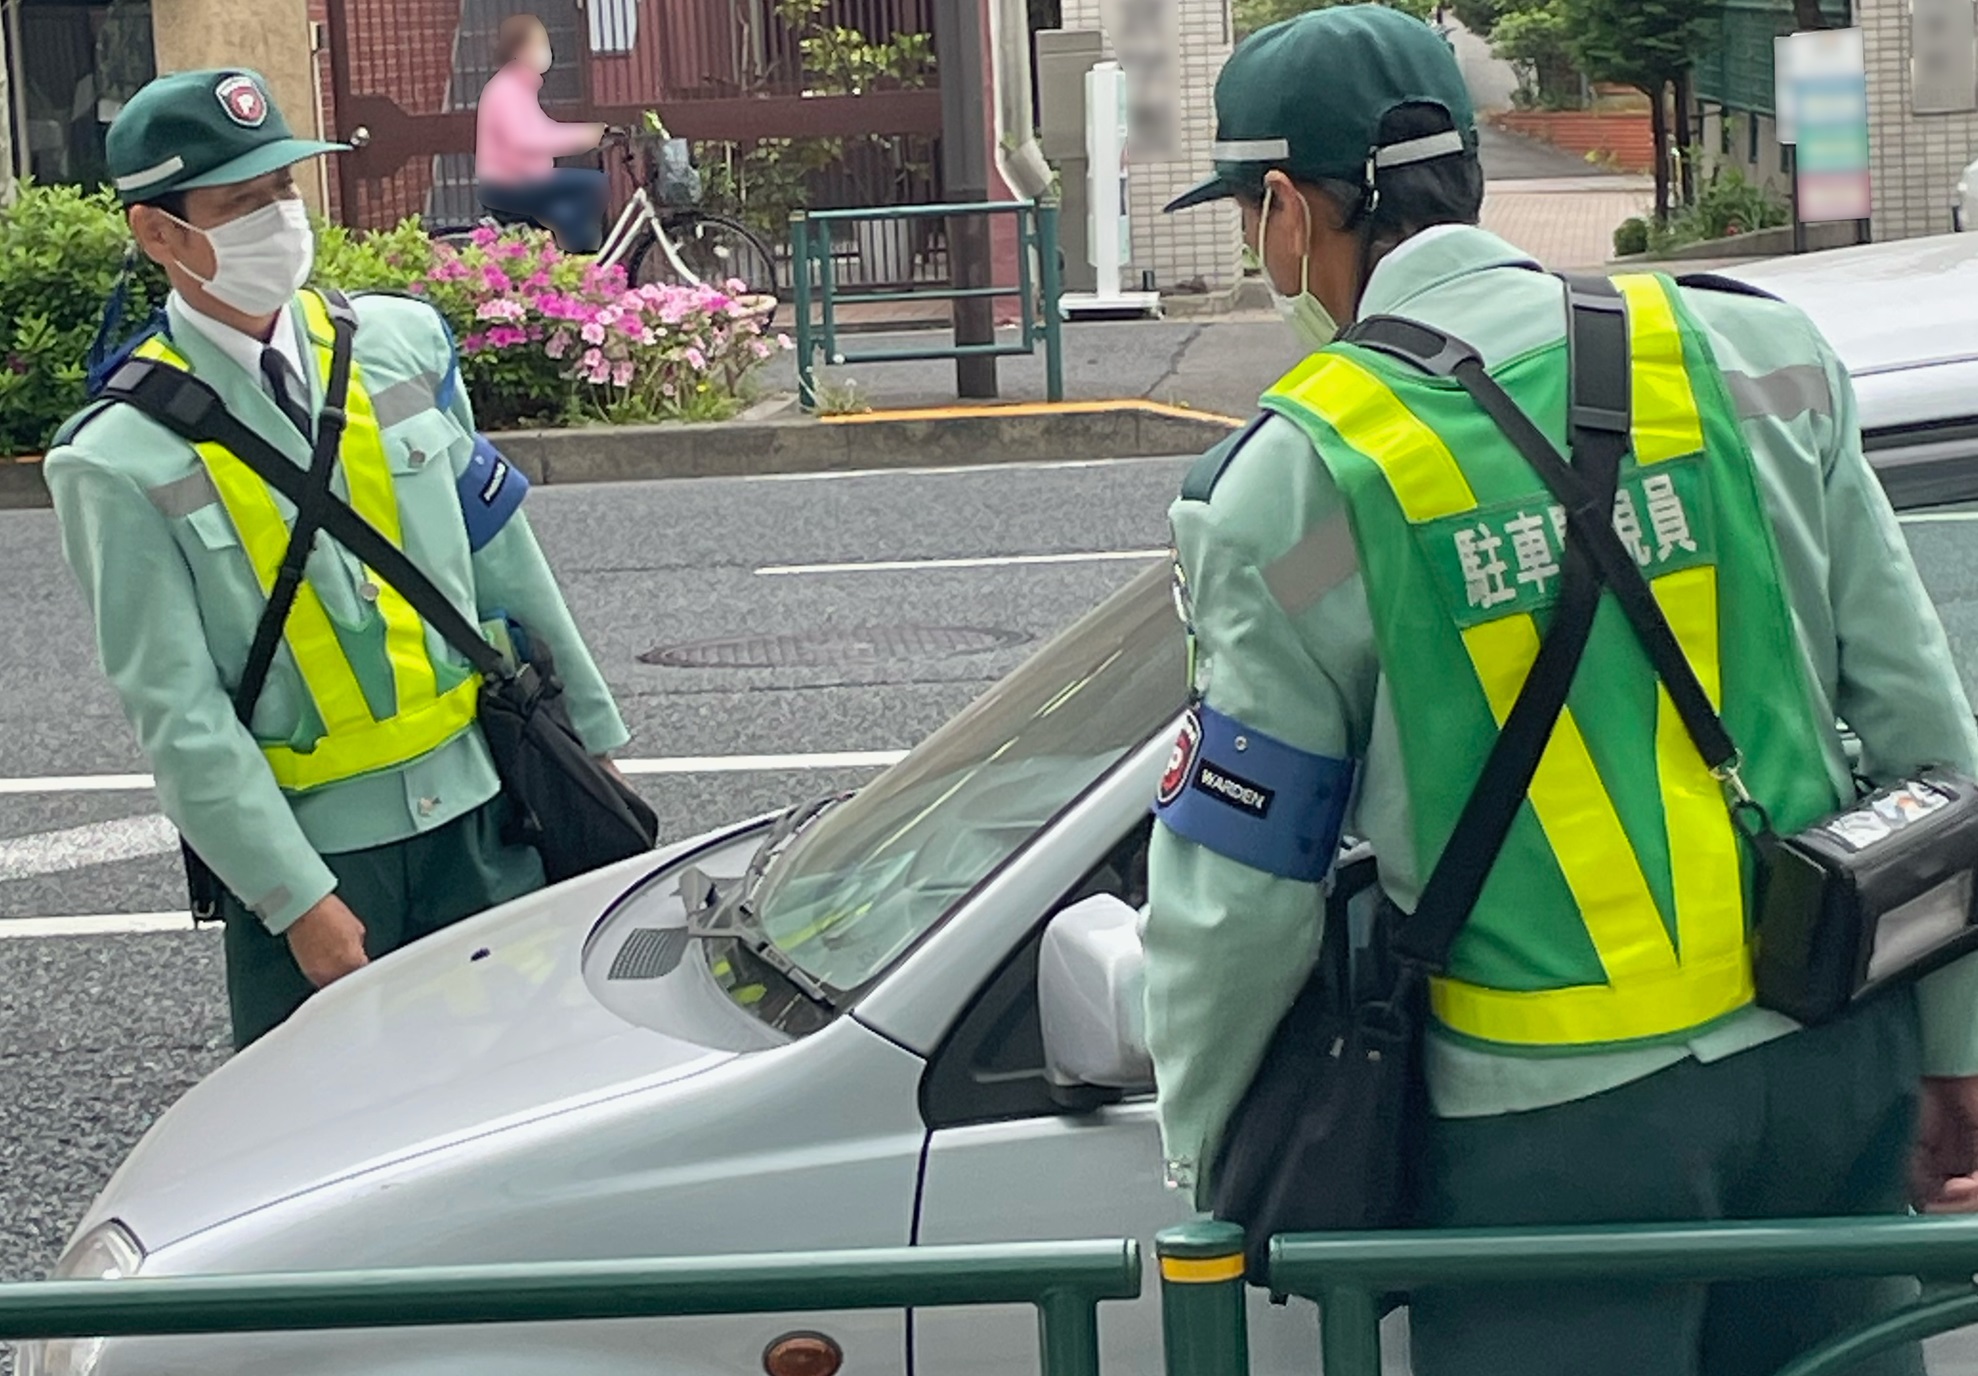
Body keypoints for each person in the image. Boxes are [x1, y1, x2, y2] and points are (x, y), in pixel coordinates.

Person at [1149, 7, 1978, 1374]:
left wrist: (1206, 1151)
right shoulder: (1748, 355)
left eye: (1251, 217)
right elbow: (1923, 735)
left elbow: (1241, 887)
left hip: (1553, 1137)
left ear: (1289, 208)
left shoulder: (1294, 489)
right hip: (1834, 1052)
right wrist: (1955, 1039)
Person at [45, 69, 630, 1050]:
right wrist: (293, 896)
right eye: (241, 203)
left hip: (488, 820)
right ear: (159, 234)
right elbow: (177, 710)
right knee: (335, 1144)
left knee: (522, 1092)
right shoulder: (115, 456)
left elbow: (505, 561)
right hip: (322, 859)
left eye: (284, 190)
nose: (278, 219)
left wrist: (594, 746)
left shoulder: (401, 346)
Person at [475, 14, 609, 251]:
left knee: (563, 210)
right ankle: (579, 260)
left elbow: (544, 128)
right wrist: (583, 137)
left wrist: (591, 133)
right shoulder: (506, 89)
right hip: (510, 183)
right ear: (519, 50)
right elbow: (525, 139)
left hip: (523, 179)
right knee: (593, 183)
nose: (546, 50)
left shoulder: (518, 86)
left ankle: (558, 256)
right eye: (539, 44)